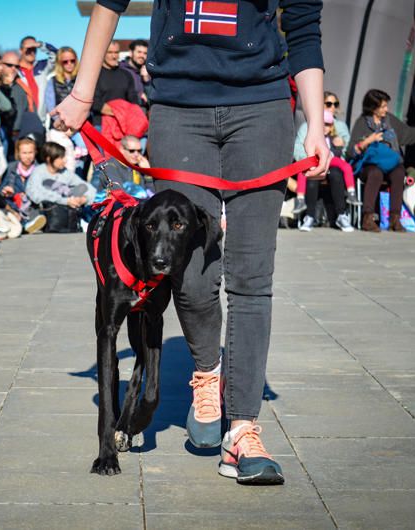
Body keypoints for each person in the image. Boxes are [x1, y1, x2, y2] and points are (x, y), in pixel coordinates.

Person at [54, 0, 330, 484]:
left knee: (250, 276)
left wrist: (316, 123)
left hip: (262, 109)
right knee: (191, 275)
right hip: (179, 110)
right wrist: (82, 94)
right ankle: (207, 372)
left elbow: (304, 27)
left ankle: (242, 428)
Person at [348, 89, 415, 232]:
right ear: (373, 107)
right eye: (383, 106)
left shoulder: (389, 120)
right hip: (370, 164)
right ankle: (367, 218)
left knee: (399, 172)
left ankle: (395, 218)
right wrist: (368, 141)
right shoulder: (362, 123)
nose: (387, 109)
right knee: (375, 174)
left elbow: (408, 134)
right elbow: (351, 151)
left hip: (390, 163)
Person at [293, 110, 358, 232]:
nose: (324, 127)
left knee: (341, 171)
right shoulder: (311, 137)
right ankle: (304, 206)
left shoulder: (334, 137)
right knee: (306, 174)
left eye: (328, 124)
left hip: (331, 162)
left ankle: (349, 197)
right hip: (315, 163)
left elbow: (342, 153)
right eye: (322, 124)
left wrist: (340, 145)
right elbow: (303, 150)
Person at [26, 141, 96, 221]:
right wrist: (65, 201)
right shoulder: (38, 172)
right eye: (61, 158)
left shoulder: (65, 172)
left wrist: (84, 198)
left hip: (65, 209)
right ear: (49, 159)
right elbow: (36, 195)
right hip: (44, 210)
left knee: (83, 189)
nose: (65, 160)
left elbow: (86, 186)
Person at [0, 137, 46, 233]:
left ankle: (26, 225)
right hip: (14, 206)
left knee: (37, 214)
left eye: (30, 152)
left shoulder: (40, 170)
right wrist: (5, 191)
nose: (28, 156)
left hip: (32, 207)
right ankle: (24, 225)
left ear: (35, 152)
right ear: (18, 154)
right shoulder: (11, 168)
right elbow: (0, 189)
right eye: (24, 153)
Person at [90, 41, 138, 125]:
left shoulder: (126, 75)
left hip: (123, 123)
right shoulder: (95, 75)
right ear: (103, 53)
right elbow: (94, 103)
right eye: (110, 52)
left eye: (116, 52)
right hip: (101, 124)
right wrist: (118, 112)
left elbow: (133, 100)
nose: (114, 56)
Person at [44, 46, 79, 116]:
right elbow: (51, 108)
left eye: (72, 61)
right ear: (59, 63)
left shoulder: (81, 79)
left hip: (84, 122)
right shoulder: (52, 81)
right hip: (61, 123)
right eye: (65, 62)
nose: (69, 64)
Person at [119, 38, 150, 108]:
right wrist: (139, 97)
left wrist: (147, 81)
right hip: (124, 111)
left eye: (145, 53)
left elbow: (151, 97)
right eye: (139, 52)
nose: (142, 56)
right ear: (130, 52)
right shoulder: (120, 69)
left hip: (142, 113)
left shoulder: (148, 72)